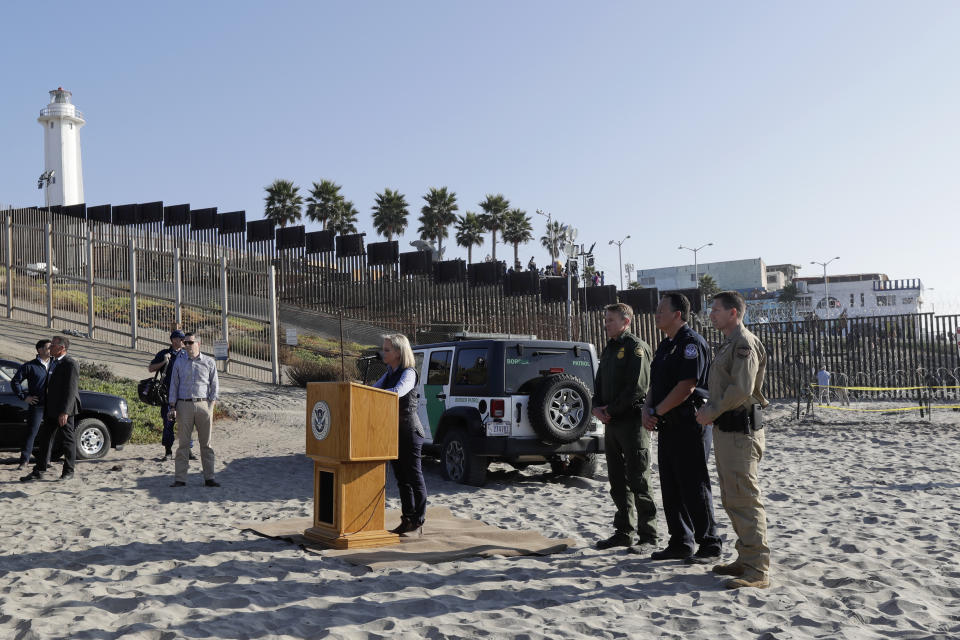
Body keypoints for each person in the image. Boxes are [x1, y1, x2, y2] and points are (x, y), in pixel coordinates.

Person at [696, 291, 770, 589]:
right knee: (731, 497)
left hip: (741, 432)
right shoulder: (729, 343)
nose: (711, 314)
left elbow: (742, 388)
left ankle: (758, 569)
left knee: (745, 497)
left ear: (733, 313)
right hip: (727, 431)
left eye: (716, 309)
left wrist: (711, 411)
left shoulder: (743, 343)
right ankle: (746, 557)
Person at [643, 294, 722, 563]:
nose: (656, 314)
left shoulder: (691, 344)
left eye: (661, 310)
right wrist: (647, 409)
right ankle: (681, 541)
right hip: (667, 423)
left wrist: (656, 411)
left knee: (694, 484)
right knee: (671, 484)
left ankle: (709, 543)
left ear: (678, 314)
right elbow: (655, 385)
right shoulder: (666, 346)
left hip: (690, 423)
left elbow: (687, 387)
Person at [591, 302, 657, 550]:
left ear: (625, 321)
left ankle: (648, 536)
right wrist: (596, 406)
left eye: (610, 320)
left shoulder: (635, 348)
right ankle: (623, 531)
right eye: (605, 319)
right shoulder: (609, 349)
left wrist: (610, 410)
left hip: (631, 422)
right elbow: (599, 384)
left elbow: (637, 389)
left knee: (639, 479)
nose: (606, 324)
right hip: (612, 423)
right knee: (617, 481)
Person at [373, 333, 428, 535]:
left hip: (410, 431)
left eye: (387, 349)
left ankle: (418, 520)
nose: (383, 352)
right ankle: (407, 519)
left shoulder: (409, 373)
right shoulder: (389, 372)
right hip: (393, 431)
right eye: (384, 348)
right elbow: (374, 389)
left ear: (398, 352)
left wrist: (376, 395)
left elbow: (397, 392)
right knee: (401, 478)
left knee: (414, 476)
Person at [20, 336, 80, 483]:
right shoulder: (53, 362)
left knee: (67, 441)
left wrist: (65, 411)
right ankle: (39, 471)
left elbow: (71, 390)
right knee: (45, 440)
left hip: (64, 410)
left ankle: (68, 472)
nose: (50, 347)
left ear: (61, 348)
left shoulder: (70, 364)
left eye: (53, 345)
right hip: (51, 408)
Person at [167, 332, 220, 488]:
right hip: (184, 405)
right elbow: (174, 385)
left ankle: (209, 478)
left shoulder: (209, 362)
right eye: (185, 342)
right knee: (183, 444)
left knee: (206, 444)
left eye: (190, 342)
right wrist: (172, 406)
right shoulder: (179, 362)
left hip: (204, 404)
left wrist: (211, 405)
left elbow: (214, 385)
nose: (187, 345)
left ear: (199, 343)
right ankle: (180, 479)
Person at [11, 339, 52, 471]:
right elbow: (15, 381)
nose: (51, 350)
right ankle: (24, 461)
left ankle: (46, 460)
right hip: (37, 405)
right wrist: (24, 397)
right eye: (48, 348)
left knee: (50, 433)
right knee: (32, 433)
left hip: (52, 405)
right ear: (40, 350)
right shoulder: (29, 366)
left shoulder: (55, 365)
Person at [149, 329, 187, 460]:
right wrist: (164, 362)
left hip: (184, 394)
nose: (183, 342)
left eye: (183, 339)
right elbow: (151, 368)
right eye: (180, 339)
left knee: (186, 423)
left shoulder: (186, 354)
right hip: (167, 394)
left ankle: (188, 451)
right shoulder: (164, 353)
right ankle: (168, 451)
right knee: (168, 423)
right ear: (173, 340)